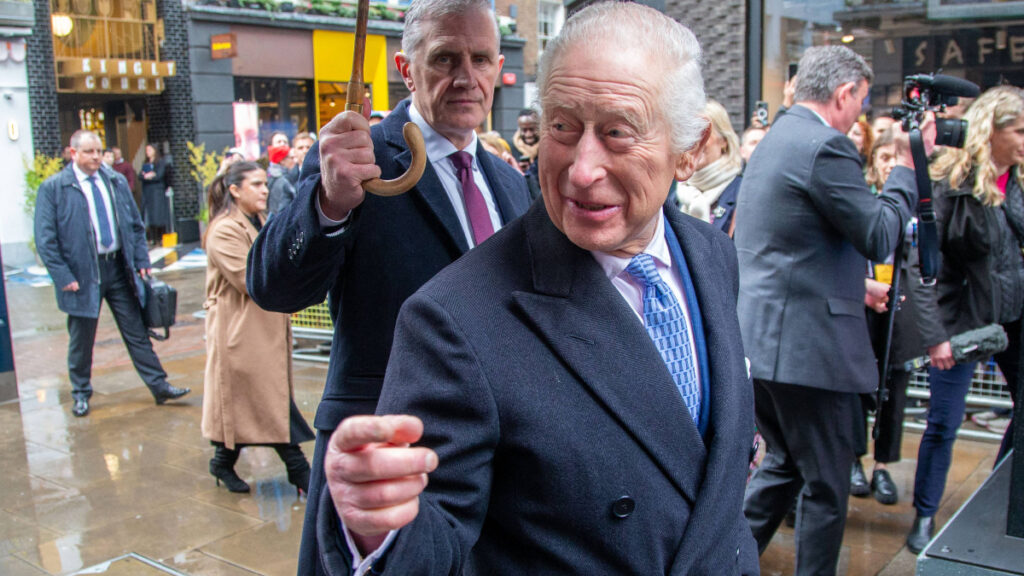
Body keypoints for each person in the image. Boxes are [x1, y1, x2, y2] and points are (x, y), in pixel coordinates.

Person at [320, 4, 759, 574]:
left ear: (690, 148)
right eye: (563, 128)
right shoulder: (452, 318)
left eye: (618, 133)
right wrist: (376, 526)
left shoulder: (712, 254)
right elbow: (435, 538)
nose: (581, 169)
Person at [245, 1, 530, 573]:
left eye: (480, 59)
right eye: (445, 58)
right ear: (405, 67)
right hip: (384, 457)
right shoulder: (356, 160)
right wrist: (327, 203)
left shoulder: (511, 184)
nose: (465, 76)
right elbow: (273, 287)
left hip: (498, 461)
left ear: (498, 67)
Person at [735, 45, 935, 576]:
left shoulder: (779, 138)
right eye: (862, 102)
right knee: (825, 484)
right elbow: (877, 233)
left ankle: (721, 565)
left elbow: (791, 244)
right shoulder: (826, 145)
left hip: (767, 342)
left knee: (783, 467)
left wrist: (858, 286)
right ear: (844, 94)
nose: (862, 114)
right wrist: (906, 170)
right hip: (806, 350)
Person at [905, 85, 1024, 554]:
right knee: (943, 423)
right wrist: (935, 338)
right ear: (989, 131)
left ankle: (999, 491)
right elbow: (923, 267)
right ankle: (925, 513)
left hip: (1013, 315)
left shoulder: (1015, 183)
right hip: (963, 323)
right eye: (1018, 129)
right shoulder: (952, 184)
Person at [33, 130, 190, 418]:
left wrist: (141, 259)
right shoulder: (54, 188)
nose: (96, 157)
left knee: (136, 331)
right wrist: (63, 275)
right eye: (89, 152)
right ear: (73, 153)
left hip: (118, 268)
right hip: (81, 275)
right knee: (82, 338)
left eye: (98, 151)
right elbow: (46, 239)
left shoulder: (115, 181)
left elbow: (133, 225)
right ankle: (80, 393)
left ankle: (159, 385)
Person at [201, 161, 314, 496]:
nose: (265, 190)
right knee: (267, 402)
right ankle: (301, 471)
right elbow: (250, 279)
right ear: (234, 190)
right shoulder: (223, 230)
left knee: (251, 403)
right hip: (239, 331)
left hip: (262, 328)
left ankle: (222, 461)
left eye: (265, 184)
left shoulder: (260, 221)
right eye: (256, 184)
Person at [675, 99, 744, 236]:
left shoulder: (741, 192)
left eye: (702, 133)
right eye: (688, 134)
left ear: (724, 141)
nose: (694, 142)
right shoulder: (677, 192)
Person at [140, 143, 170, 243]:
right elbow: (140, 175)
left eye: (149, 150)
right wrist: (148, 176)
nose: (147, 152)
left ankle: (160, 236)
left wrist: (149, 177)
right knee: (149, 215)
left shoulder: (160, 162)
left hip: (157, 193)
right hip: (148, 193)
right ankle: (152, 237)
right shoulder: (146, 163)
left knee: (159, 214)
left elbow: (159, 176)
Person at [513, 107, 542, 199]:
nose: (528, 134)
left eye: (532, 129)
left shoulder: (547, 149)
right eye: (524, 130)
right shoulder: (511, 150)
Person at [266, 144, 297, 216]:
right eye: (291, 158)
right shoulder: (282, 182)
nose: (294, 161)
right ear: (282, 161)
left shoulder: (272, 176)